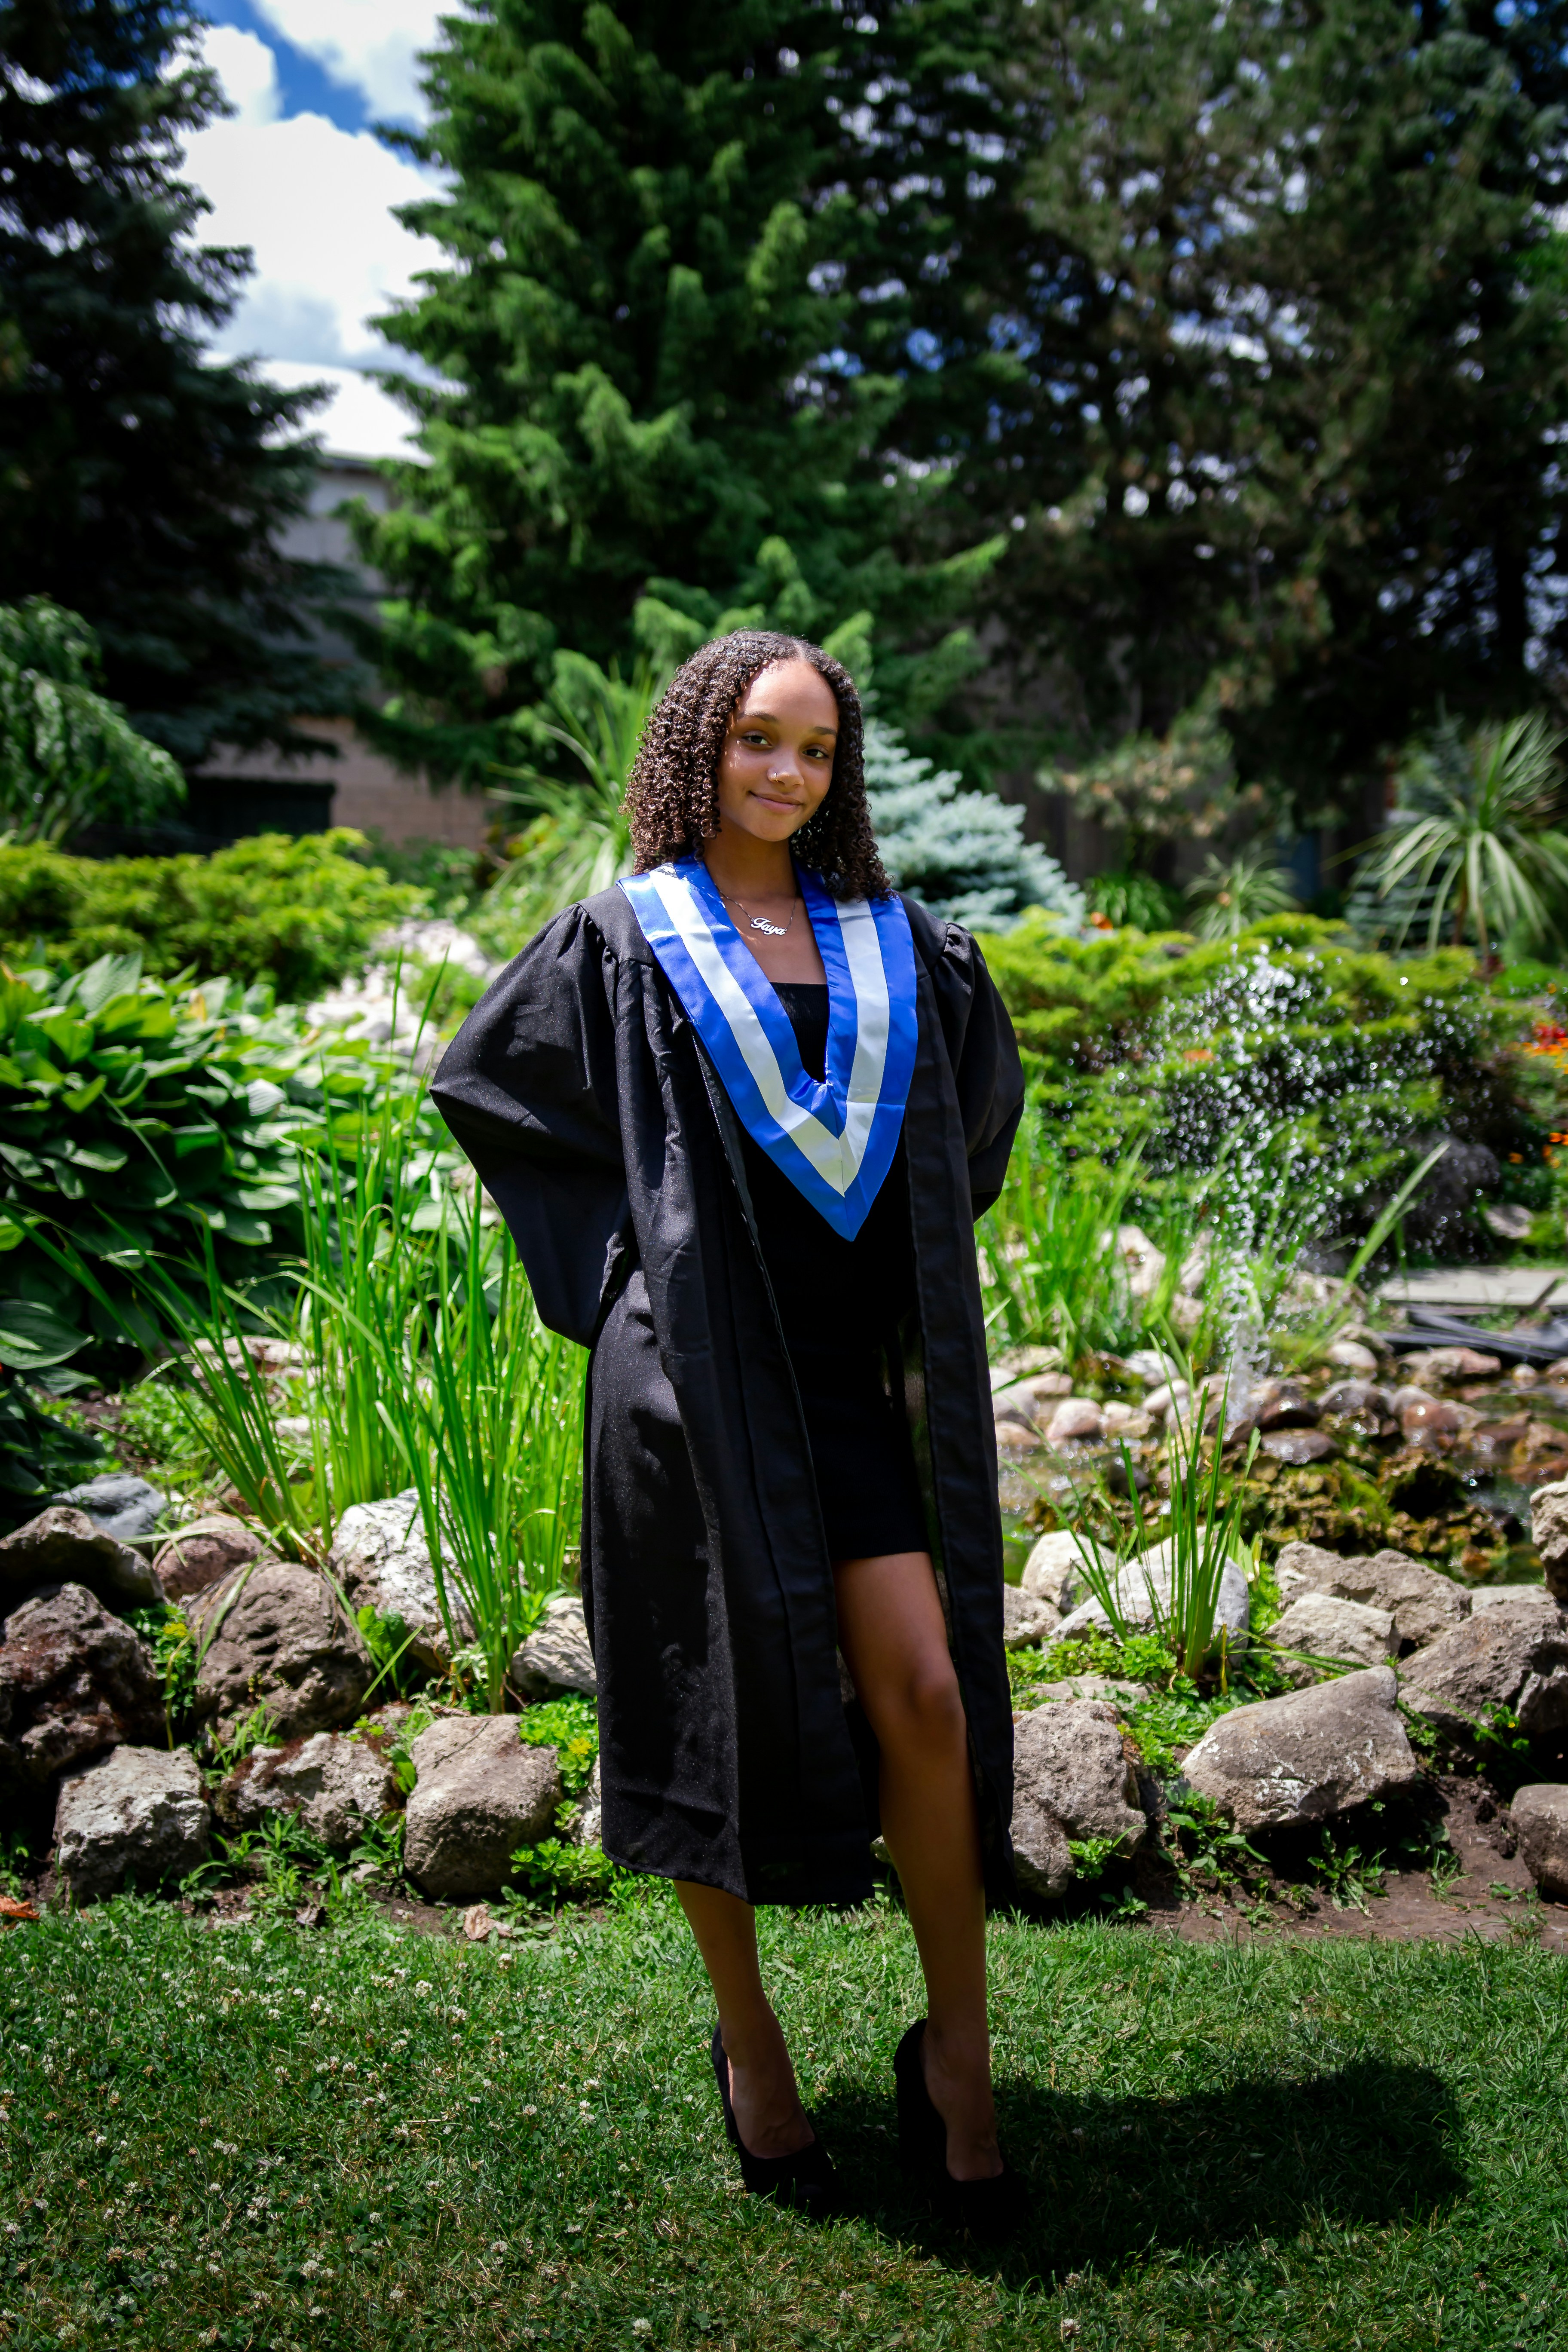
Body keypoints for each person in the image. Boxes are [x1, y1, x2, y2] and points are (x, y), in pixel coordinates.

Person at [433, 631, 1025, 2231]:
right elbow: (494, 1095)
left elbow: (966, 1124)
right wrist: (631, 1279)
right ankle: (752, 2048)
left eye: (817, 750)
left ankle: (956, 2059)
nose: (786, 773)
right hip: (696, 1381)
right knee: (717, 1694)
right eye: (759, 740)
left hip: (849, 1379)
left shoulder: (896, 941)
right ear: (698, 744)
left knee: (926, 1696)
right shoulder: (625, 939)